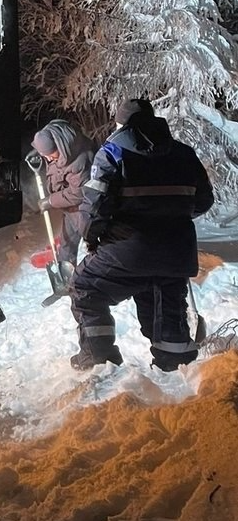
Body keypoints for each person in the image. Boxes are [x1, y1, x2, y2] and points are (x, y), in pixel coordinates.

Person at [69, 98, 214, 372]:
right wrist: (173, 217)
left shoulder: (112, 153)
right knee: (164, 292)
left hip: (127, 250)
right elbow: (204, 200)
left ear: (121, 124)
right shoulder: (184, 154)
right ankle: (176, 364)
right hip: (176, 252)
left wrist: (92, 236)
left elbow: (95, 205)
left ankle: (99, 356)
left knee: (85, 285)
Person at [30, 119, 96, 268]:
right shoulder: (56, 139)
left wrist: (51, 201)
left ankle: (92, 277)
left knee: (94, 245)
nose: (48, 160)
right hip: (70, 209)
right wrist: (39, 153)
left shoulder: (80, 160)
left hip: (85, 209)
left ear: (60, 146)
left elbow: (78, 193)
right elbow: (47, 145)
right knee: (67, 243)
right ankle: (65, 277)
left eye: (51, 156)